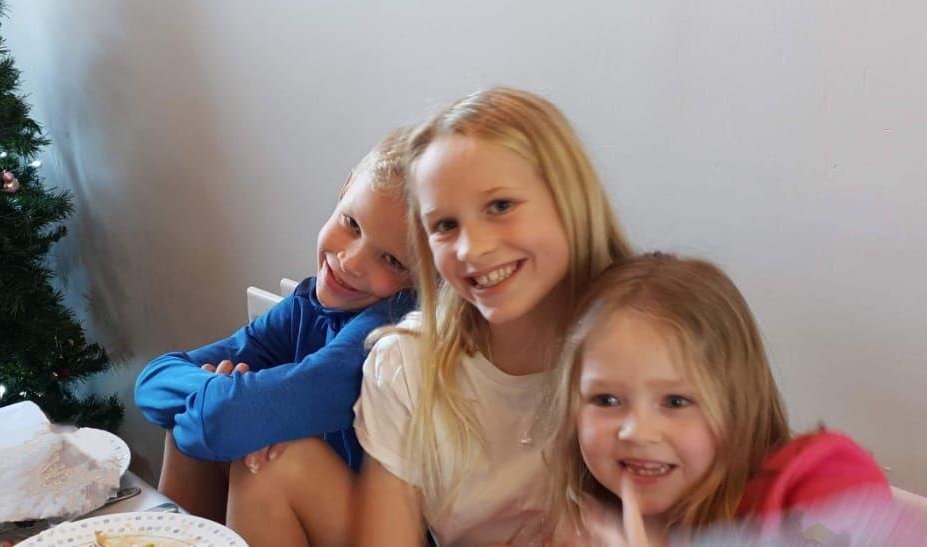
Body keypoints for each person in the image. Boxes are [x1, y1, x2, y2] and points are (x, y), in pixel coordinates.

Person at [354, 87, 633, 546]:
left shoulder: (651, 354)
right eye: (445, 225)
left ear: (570, 200)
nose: (472, 249)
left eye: (500, 206)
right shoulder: (407, 364)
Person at [135, 128, 418, 546]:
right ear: (345, 188)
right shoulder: (309, 306)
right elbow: (153, 381)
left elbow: (221, 423)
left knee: (271, 459)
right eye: (352, 223)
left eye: (391, 260)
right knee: (201, 423)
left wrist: (229, 408)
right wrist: (219, 392)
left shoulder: (392, 332)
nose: (351, 261)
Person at [544, 253, 914, 546]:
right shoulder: (584, 528)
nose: (637, 431)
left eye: (675, 402)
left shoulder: (818, 481)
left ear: (738, 404)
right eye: (606, 400)